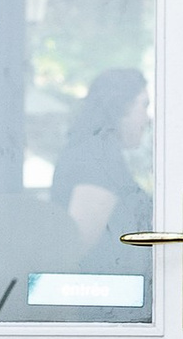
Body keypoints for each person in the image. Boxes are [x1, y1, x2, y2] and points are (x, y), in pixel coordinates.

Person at [51, 66, 153, 255]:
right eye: (144, 105)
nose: (148, 119)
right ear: (121, 106)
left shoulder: (94, 152)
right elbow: (77, 249)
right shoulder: (96, 160)